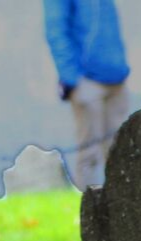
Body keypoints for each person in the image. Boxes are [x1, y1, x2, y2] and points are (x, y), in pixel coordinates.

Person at [44, 0, 132, 187]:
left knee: (122, 154)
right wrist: (72, 78)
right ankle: (92, 214)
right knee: (89, 156)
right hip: (87, 82)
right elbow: (56, 30)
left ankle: (125, 211)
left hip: (116, 78)